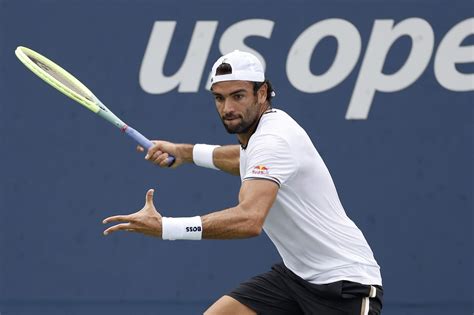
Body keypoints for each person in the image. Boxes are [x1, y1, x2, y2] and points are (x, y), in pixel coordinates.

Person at [102, 50, 383, 315]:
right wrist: (185, 152)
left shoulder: (273, 140)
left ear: (262, 93)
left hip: (344, 285)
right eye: (220, 98)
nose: (228, 107)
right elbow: (243, 158)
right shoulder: (264, 132)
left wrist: (166, 227)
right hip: (297, 277)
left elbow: (249, 220)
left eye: (238, 96)